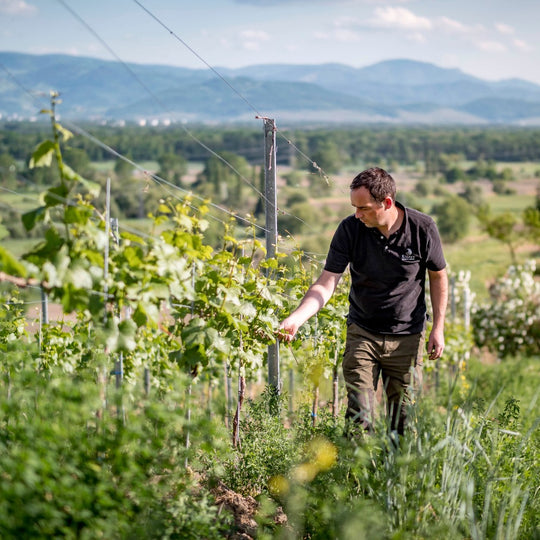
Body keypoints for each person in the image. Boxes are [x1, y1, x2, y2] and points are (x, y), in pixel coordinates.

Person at [278, 167, 448, 436]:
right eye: (354, 207)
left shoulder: (422, 228)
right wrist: (297, 318)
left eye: (364, 208)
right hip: (363, 334)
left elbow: (438, 277)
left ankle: (395, 477)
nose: (357, 214)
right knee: (360, 416)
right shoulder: (350, 229)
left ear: (387, 202)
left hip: (408, 337)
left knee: (403, 421)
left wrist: (437, 328)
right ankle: (355, 476)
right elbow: (327, 281)